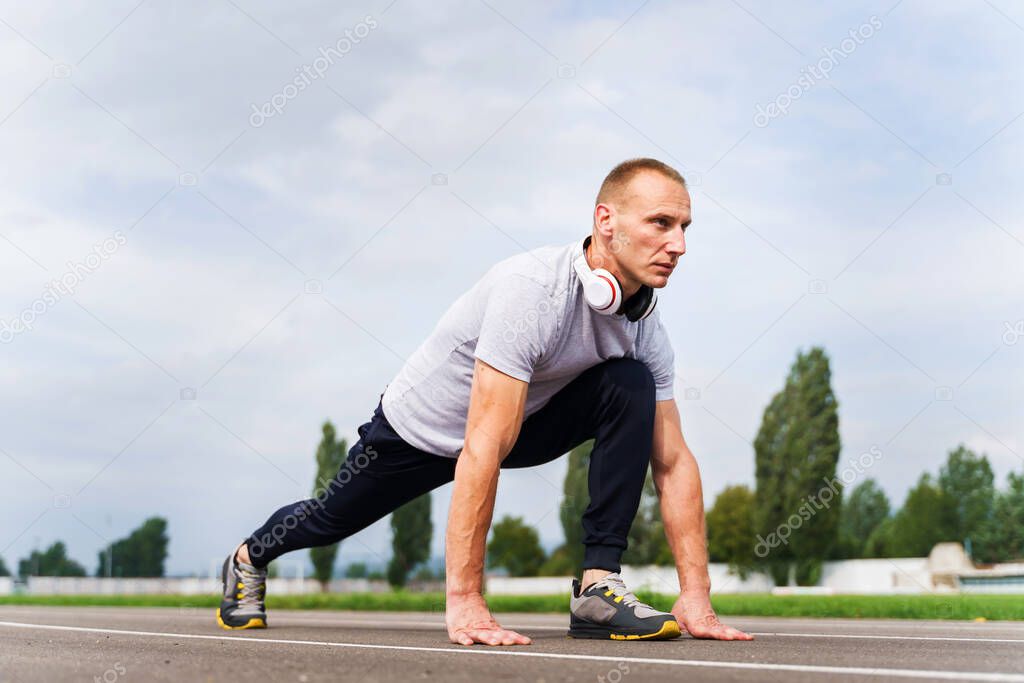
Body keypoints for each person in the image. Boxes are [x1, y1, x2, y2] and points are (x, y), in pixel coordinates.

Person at [216, 157, 753, 645]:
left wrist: (696, 596)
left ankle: (597, 587)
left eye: (684, 228)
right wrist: (466, 602)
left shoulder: (644, 328)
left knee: (629, 382)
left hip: (524, 424)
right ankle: (249, 556)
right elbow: (481, 445)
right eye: (661, 223)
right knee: (329, 518)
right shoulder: (532, 291)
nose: (679, 244)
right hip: (420, 431)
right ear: (605, 221)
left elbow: (675, 462)